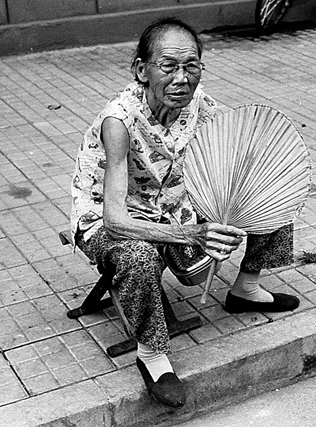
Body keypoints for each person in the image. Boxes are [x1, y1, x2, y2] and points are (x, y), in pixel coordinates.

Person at [70, 17, 299, 408]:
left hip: (174, 207)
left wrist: (256, 174)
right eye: (168, 66)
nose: (182, 78)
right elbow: (115, 220)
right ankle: (152, 355)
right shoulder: (118, 121)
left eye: (191, 66)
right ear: (142, 70)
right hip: (112, 220)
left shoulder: (198, 103)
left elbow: (234, 140)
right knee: (138, 256)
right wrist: (194, 235)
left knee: (268, 192)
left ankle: (245, 289)